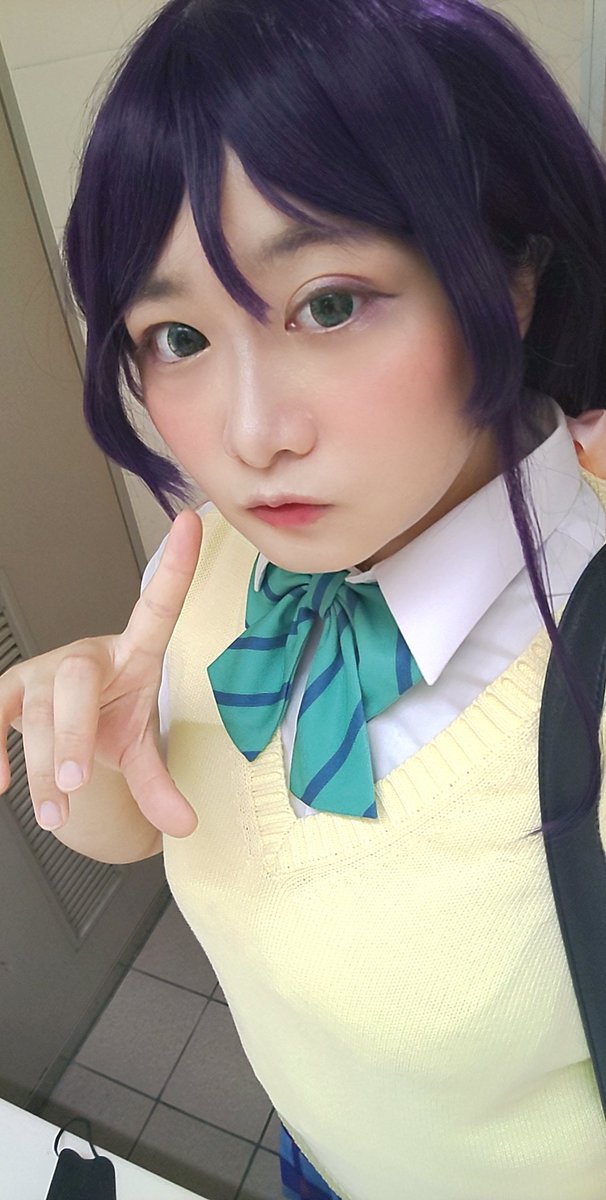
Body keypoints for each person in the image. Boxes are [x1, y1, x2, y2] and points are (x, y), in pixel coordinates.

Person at [2, 0, 606, 1195]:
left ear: (513, 277)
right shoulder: (219, 556)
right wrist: (89, 751)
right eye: (177, 337)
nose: (249, 436)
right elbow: (156, 831)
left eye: (328, 304)